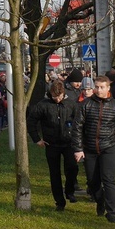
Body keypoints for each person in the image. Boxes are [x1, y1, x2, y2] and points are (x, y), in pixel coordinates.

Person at [71, 76, 115, 223]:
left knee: (108, 179)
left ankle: (112, 213)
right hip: (90, 148)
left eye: (102, 87)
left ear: (108, 88)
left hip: (109, 147)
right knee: (93, 181)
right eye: (96, 87)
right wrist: (78, 149)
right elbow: (77, 127)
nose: (98, 90)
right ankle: (100, 201)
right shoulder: (86, 104)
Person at [27, 80, 79, 211]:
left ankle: (69, 190)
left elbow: (79, 122)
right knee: (54, 173)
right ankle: (59, 201)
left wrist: (79, 141)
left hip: (69, 142)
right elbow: (31, 121)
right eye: (55, 97)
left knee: (72, 168)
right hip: (51, 143)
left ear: (63, 94)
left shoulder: (71, 104)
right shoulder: (43, 105)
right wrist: (37, 139)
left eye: (59, 97)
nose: (57, 100)